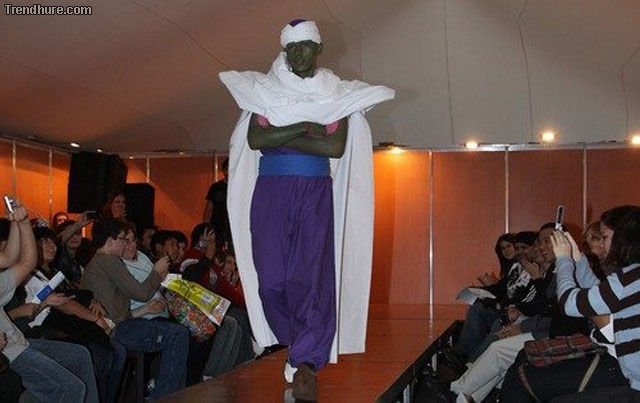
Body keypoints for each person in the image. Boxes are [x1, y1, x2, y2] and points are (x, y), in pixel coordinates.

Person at [220, 19, 394, 399]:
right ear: (284, 50)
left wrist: (283, 131)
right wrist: (305, 127)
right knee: (271, 282)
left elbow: (333, 147)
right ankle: (297, 342)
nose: (299, 53)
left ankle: (306, 361)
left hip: (315, 192)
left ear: (318, 48)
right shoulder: (265, 90)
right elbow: (257, 139)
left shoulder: (336, 93)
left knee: (310, 278)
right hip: (271, 191)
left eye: (306, 46)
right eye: (292, 47)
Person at [501, 205, 640, 401]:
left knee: (529, 383)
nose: (602, 244)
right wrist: (577, 258)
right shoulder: (632, 276)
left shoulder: (629, 278)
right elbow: (596, 292)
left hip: (628, 377)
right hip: (625, 371)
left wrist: (564, 260)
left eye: (605, 237)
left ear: (623, 239)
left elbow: (568, 303)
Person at [0, 200, 99, 402]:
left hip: (19, 341)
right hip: (11, 351)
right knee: (72, 388)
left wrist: (22, 221)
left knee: (80, 356)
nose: (50, 247)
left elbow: (23, 261)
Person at [80, 218, 189, 398]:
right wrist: (156, 271)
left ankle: (171, 395)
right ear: (110, 241)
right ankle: (164, 397)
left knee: (176, 333)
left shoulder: (98, 262)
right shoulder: (108, 261)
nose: (126, 244)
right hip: (115, 331)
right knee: (177, 334)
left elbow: (118, 310)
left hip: (116, 326)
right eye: (123, 239)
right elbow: (141, 293)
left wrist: (146, 309)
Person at [203, 157, 232, 249]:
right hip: (217, 225)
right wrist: (206, 226)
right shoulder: (216, 187)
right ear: (223, 171)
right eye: (227, 169)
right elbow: (209, 208)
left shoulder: (239, 186)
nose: (229, 172)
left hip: (233, 226)